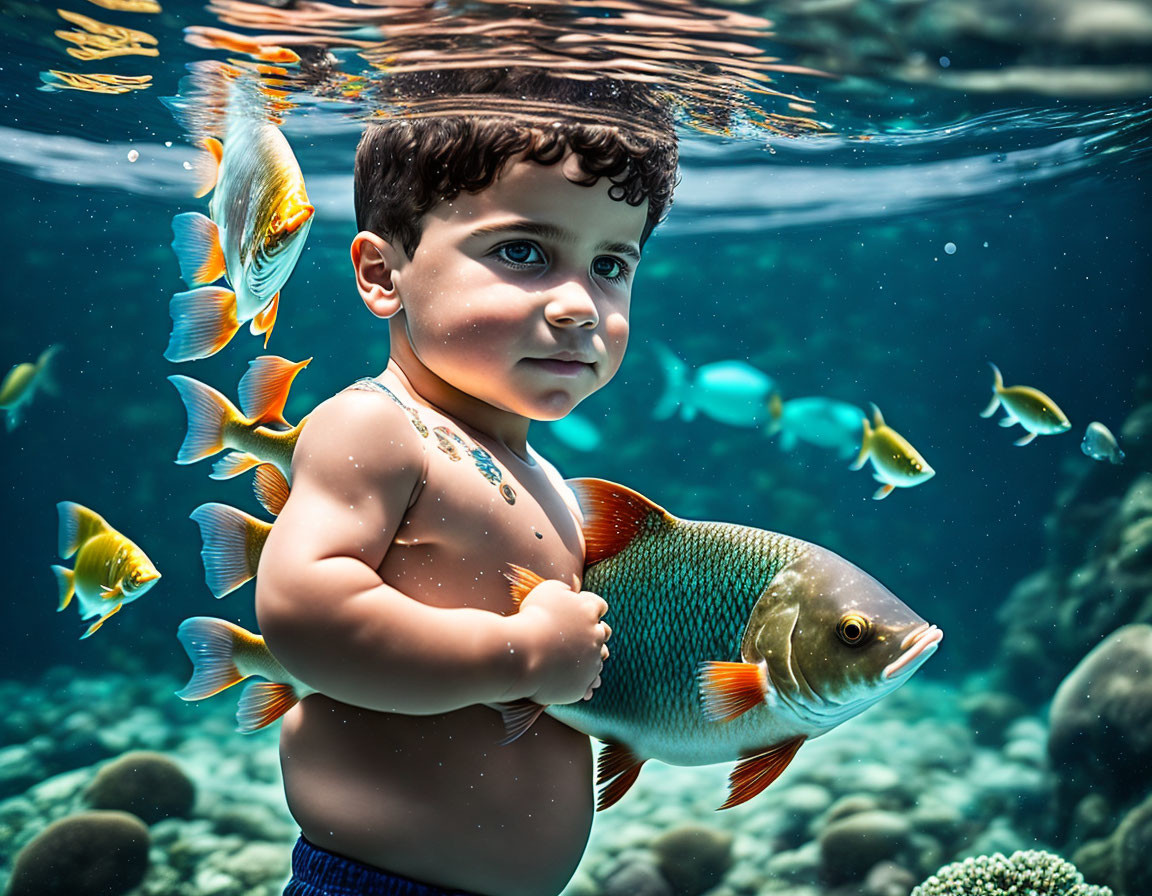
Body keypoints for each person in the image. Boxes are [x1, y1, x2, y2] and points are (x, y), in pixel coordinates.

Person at [255, 69, 679, 896]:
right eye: (523, 252)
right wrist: (517, 654)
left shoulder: (545, 477)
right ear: (383, 274)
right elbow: (303, 612)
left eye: (610, 264)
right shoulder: (376, 427)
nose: (579, 305)